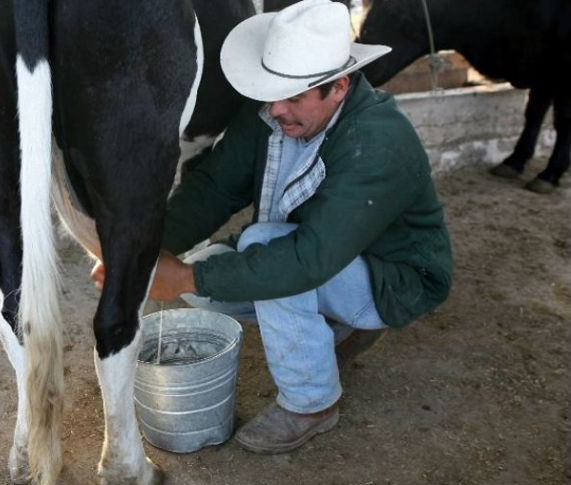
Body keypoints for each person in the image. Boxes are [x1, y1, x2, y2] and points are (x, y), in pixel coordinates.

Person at [92, 0, 453, 454]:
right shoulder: (274, 113)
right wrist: (143, 251)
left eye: (295, 98)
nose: (277, 110)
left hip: (394, 278)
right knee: (207, 293)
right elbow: (216, 187)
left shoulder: (378, 141)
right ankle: (336, 328)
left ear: (338, 87)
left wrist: (182, 274)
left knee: (255, 250)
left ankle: (311, 404)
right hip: (320, 257)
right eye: (272, 94)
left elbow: (308, 257)